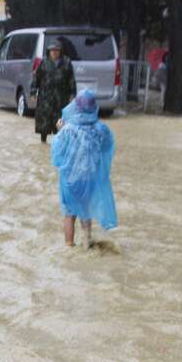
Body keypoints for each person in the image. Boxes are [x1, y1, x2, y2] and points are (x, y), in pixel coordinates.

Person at [51, 87, 118, 247]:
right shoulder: (100, 129)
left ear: (77, 107)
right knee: (85, 211)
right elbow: (108, 146)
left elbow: (57, 150)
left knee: (69, 214)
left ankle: (69, 245)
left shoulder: (68, 129)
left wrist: (60, 130)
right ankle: (87, 240)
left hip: (71, 180)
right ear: (94, 107)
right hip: (90, 178)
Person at [32, 38, 75, 144]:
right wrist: (33, 92)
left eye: (56, 50)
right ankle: (43, 142)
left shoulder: (66, 63)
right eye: (52, 50)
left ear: (60, 51)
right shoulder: (44, 62)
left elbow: (71, 80)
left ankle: (58, 144)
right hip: (45, 98)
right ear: (49, 51)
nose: (54, 52)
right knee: (44, 123)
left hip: (61, 98)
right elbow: (36, 78)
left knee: (60, 122)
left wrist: (73, 95)